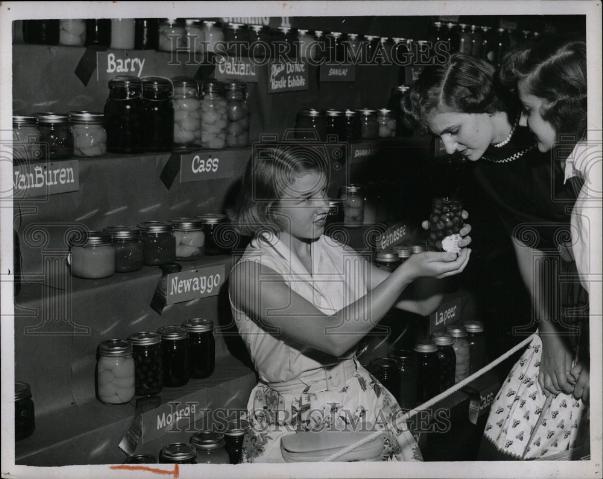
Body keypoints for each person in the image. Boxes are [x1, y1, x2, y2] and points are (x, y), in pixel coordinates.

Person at [228, 145, 471, 462]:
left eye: (323, 193)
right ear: (269, 208)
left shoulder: (331, 250)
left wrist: (439, 248)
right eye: (306, 199)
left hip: (360, 402)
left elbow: (421, 304)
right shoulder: (251, 274)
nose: (325, 206)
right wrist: (407, 271)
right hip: (298, 423)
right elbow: (332, 338)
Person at [405, 52, 587, 459]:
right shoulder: (481, 166)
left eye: (453, 131)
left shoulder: (552, 132)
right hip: (557, 313)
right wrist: (552, 335)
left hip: (591, 311)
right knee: (501, 446)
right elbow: (527, 246)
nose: (448, 147)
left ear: (484, 106)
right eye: (440, 137)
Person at [491, 38, 597, 457]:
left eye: (531, 111)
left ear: (561, 110)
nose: (524, 123)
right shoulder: (583, 177)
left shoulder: (593, 197)